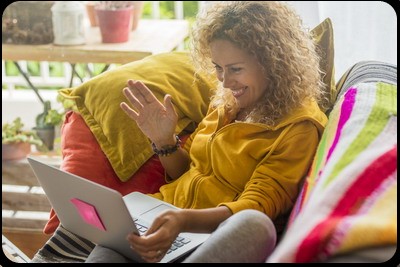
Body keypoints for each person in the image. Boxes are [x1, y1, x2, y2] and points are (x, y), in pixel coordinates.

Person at [85, 1, 328, 263]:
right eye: (218, 68)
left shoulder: (298, 126)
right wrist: (164, 141)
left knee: (255, 225)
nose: (224, 81)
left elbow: (259, 207)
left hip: (213, 236)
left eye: (235, 69)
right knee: (111, 239)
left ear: (273, 62)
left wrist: (183, 220)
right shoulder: (226, 102)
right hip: (170, 219)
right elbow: (187, 172)